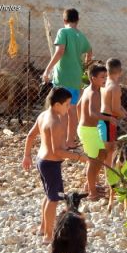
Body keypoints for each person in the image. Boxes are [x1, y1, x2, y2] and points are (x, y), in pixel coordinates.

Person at [22, 87, 88, 245]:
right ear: (57, 104)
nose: (68, 108)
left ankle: (43, 228)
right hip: (51, 164)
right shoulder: (56, 122)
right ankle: (48, 235)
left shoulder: (43, 115)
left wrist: (27, 155)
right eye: (67, 104)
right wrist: (79, 157)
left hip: (41, 160)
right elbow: (57, 151)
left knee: (48, 195)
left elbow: (30, 136)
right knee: (54, 199)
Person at [42, 8, 92, 149]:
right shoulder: (81, 36)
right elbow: (90, 51)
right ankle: (70, 141)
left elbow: (60, 52)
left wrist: (47, 69)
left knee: (62, 112)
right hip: (76, 78)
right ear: (77, 20)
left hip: (63, 77)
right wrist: (84, 65)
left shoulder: (62, 32)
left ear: (64, 20)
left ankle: (61, 142)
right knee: (72, 111)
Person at [99, 58, 127, 209]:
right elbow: (115, 109)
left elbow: (116, 106)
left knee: (110, 155)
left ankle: (109, 187)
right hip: (109, 122)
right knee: (109, 158)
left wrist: (125, 114)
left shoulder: (105, 84)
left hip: (104, 121)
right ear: (120, 72)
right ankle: (110, 189)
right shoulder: (115, 87)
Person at [77, 64, 117, 201]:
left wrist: (80, 122)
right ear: (93, 78)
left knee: (101, 155)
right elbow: (92, 113)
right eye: (102, 77)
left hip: (88, 129)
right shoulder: (94, 93)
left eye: (106, 76)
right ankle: (92, 192)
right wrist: (109, 118)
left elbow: (78, 106)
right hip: (89, 131)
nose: (105, 79)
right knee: (94, 161)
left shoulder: (88, 89)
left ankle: (89, 186)